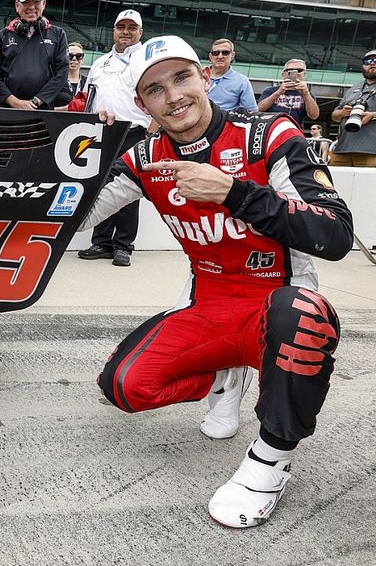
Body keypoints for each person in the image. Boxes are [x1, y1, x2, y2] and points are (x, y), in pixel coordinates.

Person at [86, 34, 352, 529]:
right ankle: (221, 375)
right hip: (206, 307)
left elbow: (335, 233)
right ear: (141, 104)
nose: (175, 96)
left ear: (205, 77)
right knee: (122, 387)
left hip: (277, 309)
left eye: (182, 78)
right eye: (156, 89)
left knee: (306, 316)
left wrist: (235, 193)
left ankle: (270, 460)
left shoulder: (268, 134)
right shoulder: (145, 159)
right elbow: (76, 217)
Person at [77, 9, 151, 267]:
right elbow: (89, 98)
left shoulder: (145, 60)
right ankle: (101, 242)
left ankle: (123, 245)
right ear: (114, 30)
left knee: (129, 189)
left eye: (132, 27)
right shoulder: (101, 62)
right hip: (103, 133)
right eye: (122, 27)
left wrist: (151, 133)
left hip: (134, 133)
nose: (126, 32)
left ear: (140, 32)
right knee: (100, 188)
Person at [0, 0, 68, 111]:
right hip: (6, 109)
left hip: (42, 111)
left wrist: (37, 101)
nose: (31, 7)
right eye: (26, 2)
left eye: (36, 2)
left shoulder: (58, 34)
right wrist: (14, 102)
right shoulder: (2, 36)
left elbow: (61, 74)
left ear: (44, 3)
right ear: (17, 5)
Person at [328, 49, 376, 167]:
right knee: (334, 183)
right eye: (367, 61)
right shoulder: (354, 88)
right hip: (343, 148)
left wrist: (372, 115)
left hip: (371, 150)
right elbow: (334, 115)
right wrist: (343, 113)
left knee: (367, 185)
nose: (372, 63)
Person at [257, 59, 319, 128]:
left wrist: (306, 94)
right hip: (272, 130)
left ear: (304, 74)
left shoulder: (307, 94)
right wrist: (278, 92)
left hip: (295, 131)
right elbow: (259, 109)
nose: (295, 73)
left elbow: (314, 116)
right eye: (290, 70)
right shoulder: (270, 91)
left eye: (299, 70)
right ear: (283, 74)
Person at [206, 38, 256, 111]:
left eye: (225, 52)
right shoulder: (199, 76)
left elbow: (251, 111)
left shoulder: (242, 81)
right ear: (210, 57)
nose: (220, 56)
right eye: (216, 53)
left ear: (232, 55)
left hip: (225, 121)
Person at [56, 41, 88, 111]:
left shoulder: (88, 82)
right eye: (70, 56)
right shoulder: (55, 81)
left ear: (83, 60)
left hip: (83, 121)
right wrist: (67, 109)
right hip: (59, 120)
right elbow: (48, 109)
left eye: (78, 56)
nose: (74, 59)